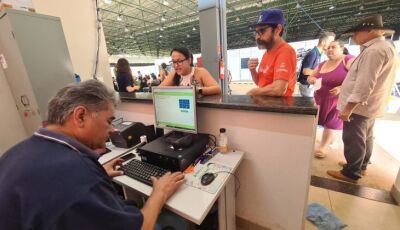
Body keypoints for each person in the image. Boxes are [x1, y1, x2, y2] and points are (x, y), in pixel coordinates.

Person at [0, 80, 185, 229]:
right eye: (109, 121)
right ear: (80, 116)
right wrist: (160, 193)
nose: (112, 130)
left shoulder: (15, 154)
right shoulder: (80, 174)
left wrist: (98, 175)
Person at [327, 15, 397, 183]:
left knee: (354, 138)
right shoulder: (385, 47)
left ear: (370, 30)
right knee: (366, 137)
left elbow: (365, 83)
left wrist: (349, 108)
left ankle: (351, 172)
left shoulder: (374, 50)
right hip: (371, 105)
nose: (353, 37)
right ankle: (360, 165)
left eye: (356, 33)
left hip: (360, 107)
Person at [307, 40, 355, 158]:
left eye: (333, 47)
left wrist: (342, 87)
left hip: (337, 100)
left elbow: (359, 77)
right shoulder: (323, 63)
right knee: (317, 122)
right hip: (319, 99)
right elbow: (310, 77)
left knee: (331, 123)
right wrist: (312, 80)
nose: (329, 50)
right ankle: (330, 140)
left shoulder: (348, 60)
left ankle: (323, 147)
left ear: (342, 48)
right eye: (327, 48)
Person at [247, 8, 296, 97]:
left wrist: (254, 92)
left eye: (262, 31)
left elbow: (278, 89)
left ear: (278, 29)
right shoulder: (267, 53)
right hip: (267, 105)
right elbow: (260, 82)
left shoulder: (285, 52)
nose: (257, 37)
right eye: (256, 32)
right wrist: (253, 70)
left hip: (278, 108)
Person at [298, 32, 336, 97]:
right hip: (307, 86)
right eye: (330, 42)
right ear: (323, 42)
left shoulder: (319, 54)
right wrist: (323, 73)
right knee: (310, 105)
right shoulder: (313, 53)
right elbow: (305, 71)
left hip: (312, 84)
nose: (331, 45)